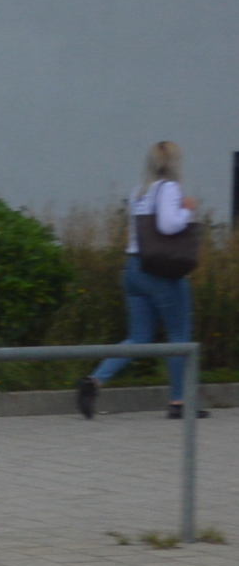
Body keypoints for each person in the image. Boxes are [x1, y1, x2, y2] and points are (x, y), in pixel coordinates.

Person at [79, 141, 207, 421]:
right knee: (178, 338)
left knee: (138, 337)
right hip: (161, 273)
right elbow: (168, 225)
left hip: (134, 269)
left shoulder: (139, 192)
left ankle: (94, 380)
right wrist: (188, 210)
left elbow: (135, 233)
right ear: (174, 164)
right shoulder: (169, 188)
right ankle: (179, 402)